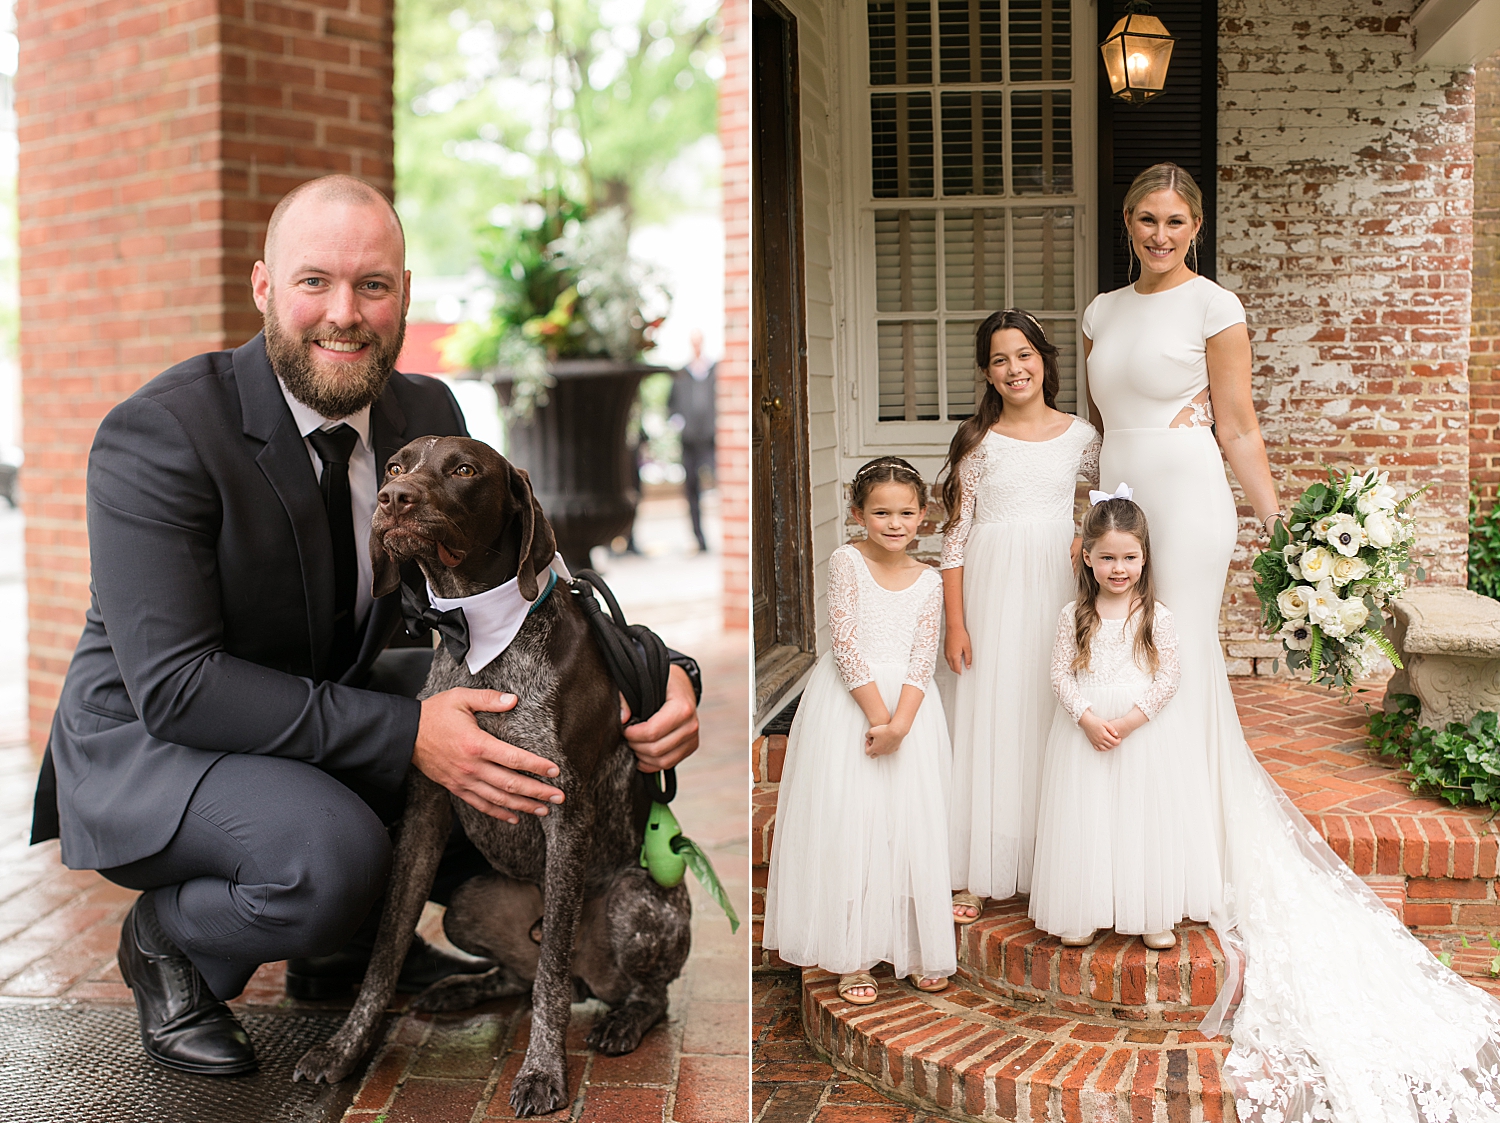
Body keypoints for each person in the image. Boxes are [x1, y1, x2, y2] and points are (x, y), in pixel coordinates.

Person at [27, 175, 703, 1077]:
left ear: (404, 297)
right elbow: (178, 685)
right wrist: (409, 733)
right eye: (316, 282)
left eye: (372, 286)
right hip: (151, 740)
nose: (345, 313)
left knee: (502, 716)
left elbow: (535, 582)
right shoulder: (161, 435)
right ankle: (171, 941)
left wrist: (660, 672)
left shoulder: (426, 417)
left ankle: (338, 950)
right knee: (331, 857)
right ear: (264, 287)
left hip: (312, 698)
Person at [1085, 161, 1500, 1121]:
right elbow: (1106, 421)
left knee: (1174, 668)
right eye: (1146, 218)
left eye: (1176, 219)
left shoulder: (1214, 304)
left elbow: (1236, 425)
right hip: (1118, 502)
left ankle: (1180, 866)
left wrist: (1279, 524)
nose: (1160, 232)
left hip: (1187, 500)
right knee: (1118, 661)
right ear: (1126, 221)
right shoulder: (1102, 313)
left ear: (1196, 225)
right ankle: (1126, 849)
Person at [762, 458, 954, 1004]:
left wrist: (902, 725)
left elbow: (923, 659)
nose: (895, 523)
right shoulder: (846, 561)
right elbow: (844, 643)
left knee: (908, 826)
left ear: (924, 516)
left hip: (911, 713)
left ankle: (915, 947)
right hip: (853, 705)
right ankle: (854, 957)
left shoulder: (931, 580)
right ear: (857, 515)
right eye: (882, 512)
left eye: (907, 512)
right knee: (854, 824)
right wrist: (878, 720)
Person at [938, 310, 1100, 925]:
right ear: (986, 371)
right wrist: (956, 622)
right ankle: (977, 867)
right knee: (993, 715)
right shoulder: (978, 442)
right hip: (991, 590)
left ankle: (1047, 860)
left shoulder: (1081, 437)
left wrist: (1084, 531)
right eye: (1000, 359)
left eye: (1025, 354)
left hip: (1056, 590)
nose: (1015, 369)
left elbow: (1116, 499)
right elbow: (955, 537)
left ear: (1044, 360)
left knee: (1046, 709)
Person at [1029, 493, 1218, 949]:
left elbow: (1170, 677)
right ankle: (1084, 906)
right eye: (1108, 557)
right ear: (1088, 557)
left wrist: (1132, 721)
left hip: (1142, 732)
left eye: (1129, 557)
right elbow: (1058, 673)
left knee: (1143, 815)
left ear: (1144, 557)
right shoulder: (1074, 615)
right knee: (1088, 815)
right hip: (1086, 731)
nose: (1119, 568)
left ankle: (1151, 908)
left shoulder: (1156, 616)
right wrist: (1086, 718)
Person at [668, 330, 716, 552]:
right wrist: (679, 422)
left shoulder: (714, 371)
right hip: (689, 442)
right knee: (691, 490)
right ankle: (700, 538)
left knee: (718, 482)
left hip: (711, 439)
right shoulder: (681, 375)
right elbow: (671, 406)